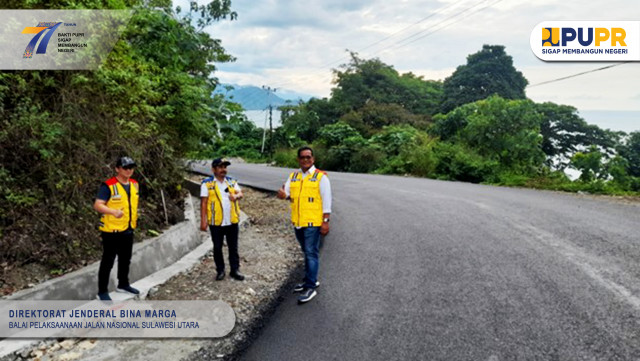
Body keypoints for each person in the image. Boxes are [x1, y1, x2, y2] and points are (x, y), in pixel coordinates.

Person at [277, 146, 332, 303]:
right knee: (306, 251)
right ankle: (311, 279)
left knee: (311, 252)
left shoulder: (321, 177)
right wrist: (282, 195)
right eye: (302, 157)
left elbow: (327, 201)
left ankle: (310, 287)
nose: (306, 160)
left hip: (313, 222)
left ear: (313, 159)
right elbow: (285, 193)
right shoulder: (293, 176)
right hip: (298, 222)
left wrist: (325, 222)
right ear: (298, 160)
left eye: (308, 157)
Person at [93, 156, 141, 301]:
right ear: (117, 169)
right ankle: (102, 291)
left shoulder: (134, 184)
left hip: (128, 228)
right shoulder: (108, 185)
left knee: (126, 259)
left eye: (131, 167)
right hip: (111, 230)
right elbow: (98, 205)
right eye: (125, 168)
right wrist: (113, 212)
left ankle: (123, 284)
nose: (129, 170)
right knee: (108, 261)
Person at [200, 158, 245, 281]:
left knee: (233, 247)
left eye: (225, 167)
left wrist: (235, 196)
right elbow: (204, 203)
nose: (223, 169)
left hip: (231, 220)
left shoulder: (231, 181)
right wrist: (203, 221)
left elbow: (240, 193)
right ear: (213, 169)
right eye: (220, 167)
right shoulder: (207, 183)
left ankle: (235, 270)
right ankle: (220, 271)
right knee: (217, 247)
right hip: (216, 222)